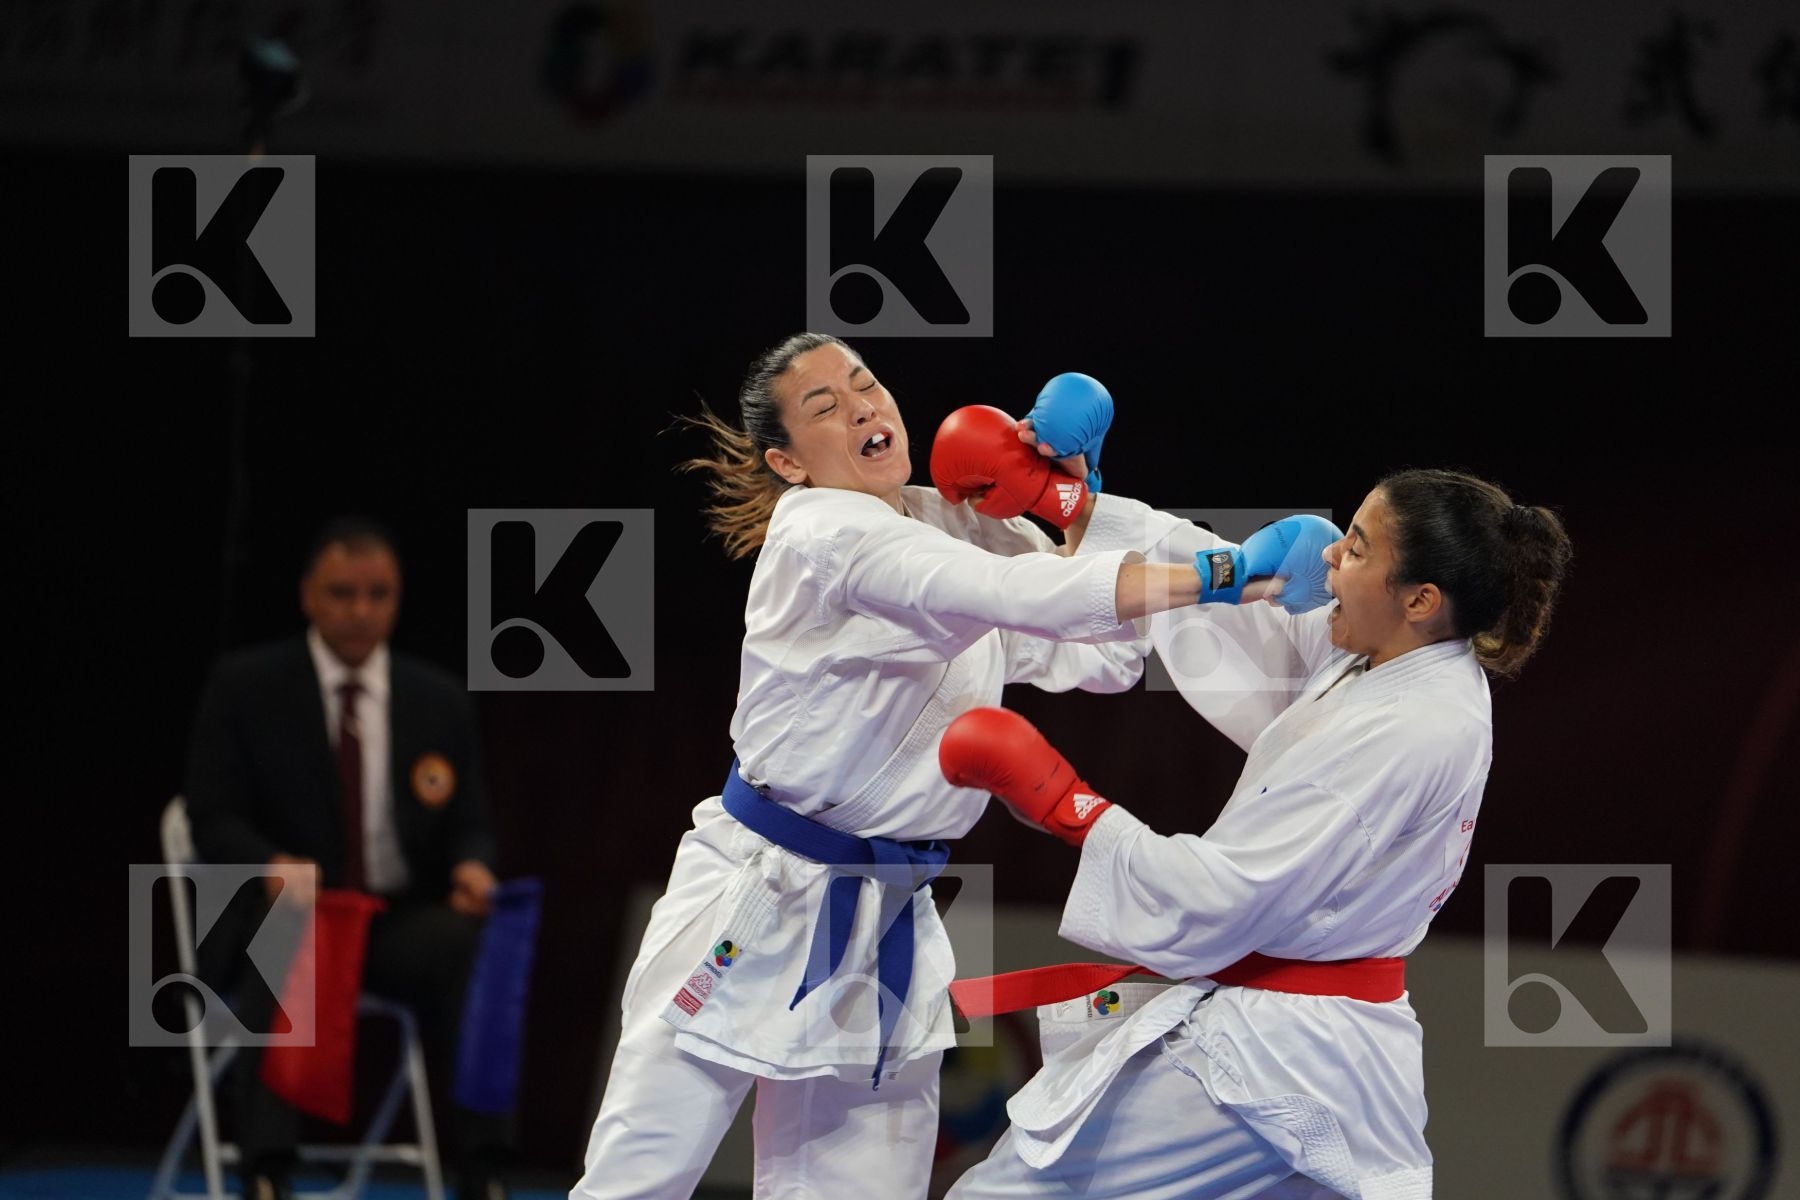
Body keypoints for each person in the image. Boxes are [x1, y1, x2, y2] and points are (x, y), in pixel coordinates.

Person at [571, 333, 1246, 1200]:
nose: (861, 407)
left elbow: (1107, 656)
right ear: (788, 461)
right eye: (825, 408)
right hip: (755, 894)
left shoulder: (945, 521)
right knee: (639, 1179)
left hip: (885, 916)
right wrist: (1237, 571)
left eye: (866, 385)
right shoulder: (821, 532)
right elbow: (1017, 596)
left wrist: (1077, 500)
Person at [937, 467, 1573, 1199]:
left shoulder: (1408, 728)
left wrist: (1067, 805)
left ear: (1421, 600)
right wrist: (1072, 506)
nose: (1332, 554)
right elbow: (1248, 624)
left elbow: (1227, 894)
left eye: (1358, 550)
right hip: (1318, 1051)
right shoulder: (1398, 664)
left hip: (1273, 1061)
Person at [184, 517, 513, 1200]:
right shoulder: (247, 686)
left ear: (396, 598)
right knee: (283, 929)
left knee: (475, 941)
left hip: (389, 923)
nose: (361, 611)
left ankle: (483, 1170)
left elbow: (471, 822)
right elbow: (209, 816)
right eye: (342, 593)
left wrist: (471, 867)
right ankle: (266, 1173)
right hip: (281, 917)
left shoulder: (437, 699)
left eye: (378, 594)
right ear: (308, 596)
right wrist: (270, 861)